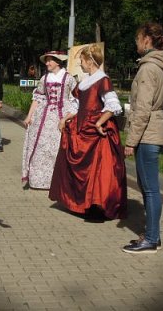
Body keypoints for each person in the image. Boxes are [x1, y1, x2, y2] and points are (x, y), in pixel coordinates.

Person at [49, 44, 127, 220]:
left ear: (90, 61)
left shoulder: (103, 80)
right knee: (81, 167)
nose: (81, 64)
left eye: (82, 60)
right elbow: (78, 105)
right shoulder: (85, 82)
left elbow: (113, 105)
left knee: (99, 171)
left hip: (97, 135)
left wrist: (100, 122)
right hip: (82, 129)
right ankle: (81, 204)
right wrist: (65, 118)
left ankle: (97, 207)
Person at [122, 22, 163, 254]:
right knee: (149, 188)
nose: (136, 43)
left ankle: (151, 239)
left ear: (147, 40)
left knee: (150, 189)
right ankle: (153, 235)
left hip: (146, 135)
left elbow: (142, 109)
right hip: (153, 131)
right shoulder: (159, 67)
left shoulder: (148, 69)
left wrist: (131, 140)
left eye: (137, 39)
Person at [21, 51, 77, 190]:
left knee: (59, 148)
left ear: (58, 61)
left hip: (62, 116)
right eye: (46, 61)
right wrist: (29, 116)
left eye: (49, 61)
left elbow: (76, 99)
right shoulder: (44, 79)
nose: (47, 63)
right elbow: (38, 98)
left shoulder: (69, 79)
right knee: (41, 147)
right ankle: (40, 181)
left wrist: (69, 116)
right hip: (44, 117)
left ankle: (60, 181)